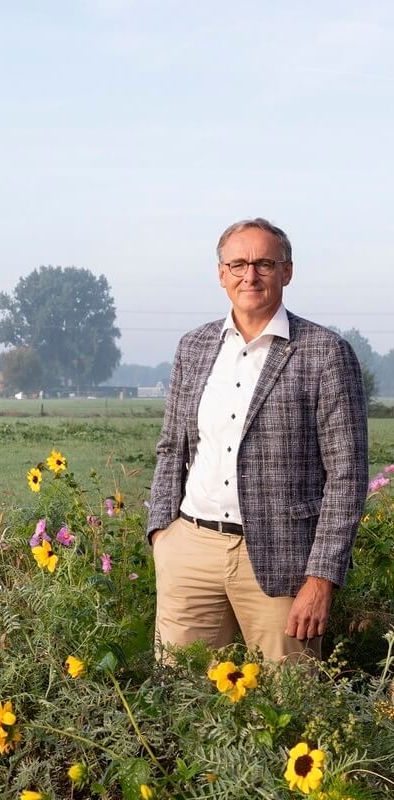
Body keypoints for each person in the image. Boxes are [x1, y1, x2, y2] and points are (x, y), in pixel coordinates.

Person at [146, 218, 368, 662]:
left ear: (287, 271)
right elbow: (173, 447)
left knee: (290, 707)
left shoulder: (324, 352)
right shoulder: (194, 346)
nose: (251, 275)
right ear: (221, 273)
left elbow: (347, 475)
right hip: (190, 553)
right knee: (182, 701)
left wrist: (322, 578)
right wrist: (161, 536)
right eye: (239, 263)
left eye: (265, 263)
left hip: (282, 562)